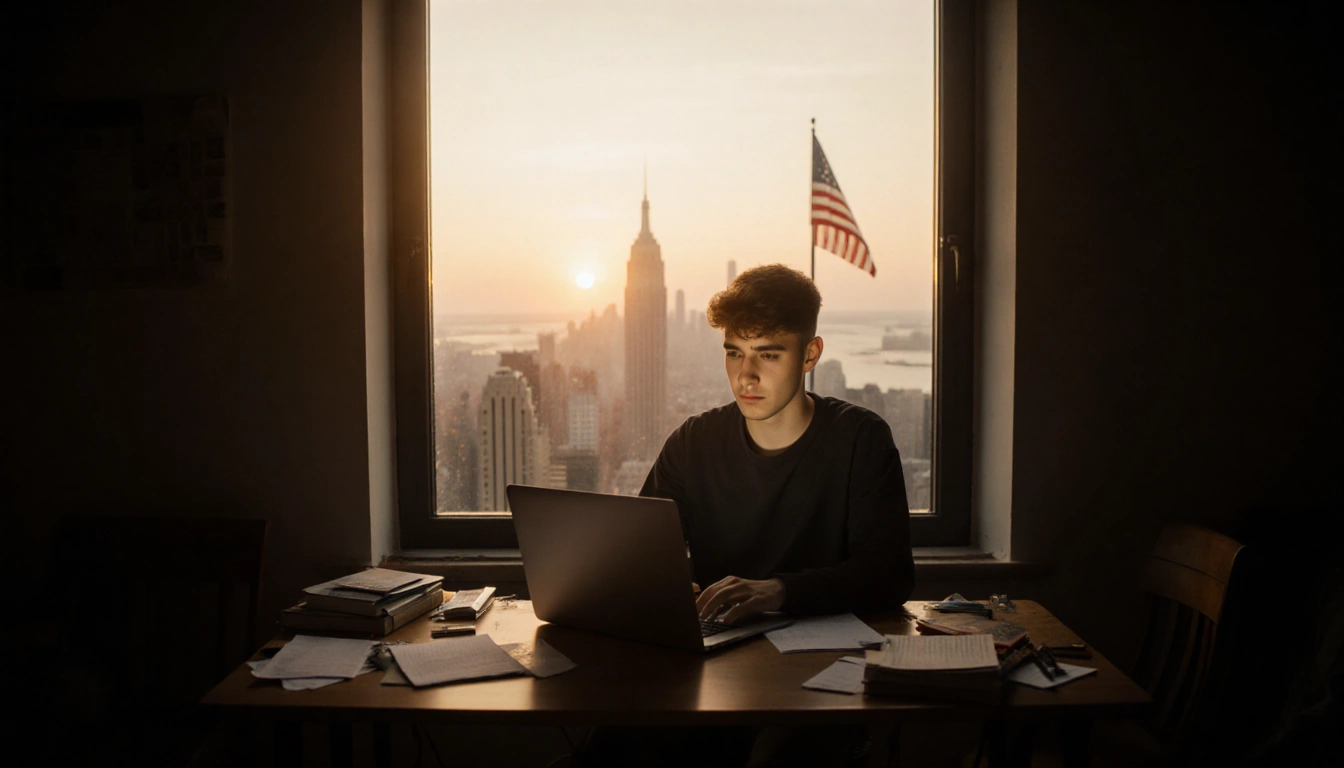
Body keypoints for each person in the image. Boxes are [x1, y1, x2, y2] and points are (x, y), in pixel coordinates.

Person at [579, 264, 915, 768]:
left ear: (810, 355)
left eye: (768, 354)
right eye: (734, 353)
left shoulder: (859, 439)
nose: (745, 375)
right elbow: (639, 553)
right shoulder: (693, 442)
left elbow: (890, 573)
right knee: (612, 744)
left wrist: (778, 589)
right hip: (717, 663)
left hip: (821, 670)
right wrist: (667, 589)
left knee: (781, 756)